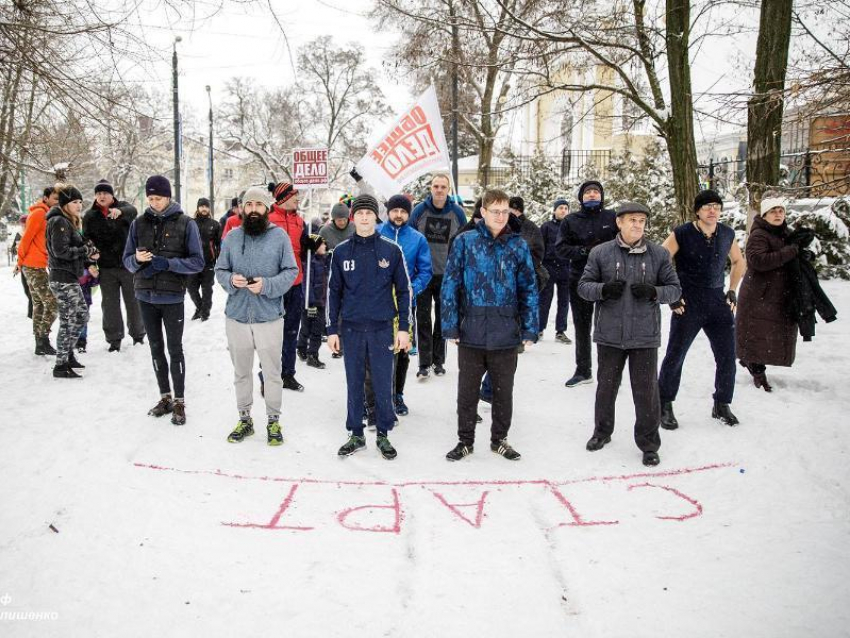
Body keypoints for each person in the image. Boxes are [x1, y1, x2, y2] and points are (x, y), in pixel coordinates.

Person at [577, 202, 681, 467]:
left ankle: (648, 444)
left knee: (646, 392)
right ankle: (602, 432)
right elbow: (583, 287)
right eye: (632, 219)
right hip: (609, 333)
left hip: (644, 335)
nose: (637, 225)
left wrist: (655, 293)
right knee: (606, 387)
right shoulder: (601, 253)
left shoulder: (658, 254)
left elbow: (675, 289)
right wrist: (603, 290)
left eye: (641, 220)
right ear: (619, 223)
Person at [441, 189, 539, 462]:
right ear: (482, 212)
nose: (499, 216)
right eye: (494, 210)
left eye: (504, 211)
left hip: (506, 330)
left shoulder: (517, 245)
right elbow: (450, 285)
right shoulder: (464, 242)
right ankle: (465, 440)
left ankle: (500, 439)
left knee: (502, 391)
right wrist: (450, 325)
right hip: (470, 329)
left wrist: (530, 328)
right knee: (467, 391)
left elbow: (529, 287)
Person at [327, 194, 412, 460]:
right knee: (354, 382)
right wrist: (332, 330)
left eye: (369, 213)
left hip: (381, 327)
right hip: (351, 328)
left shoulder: (390, 250)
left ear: (377, 217)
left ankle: (384, 433)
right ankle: (356, 434)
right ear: (353, 217)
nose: (364, 217)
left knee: (382, 381)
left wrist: (404, 328)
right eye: (360, 213)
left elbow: (404, 290)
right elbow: (333, 292)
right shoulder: (341, 252)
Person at [215, 186, 299, 446]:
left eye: (258, 205)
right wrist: (231, 279)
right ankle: (245, 419)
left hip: (269, 316)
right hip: (237, 316)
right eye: (248, 205)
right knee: (241, 372)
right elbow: (219, 269)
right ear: (242, 208)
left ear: (266, 208)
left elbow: (290, 271)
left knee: (272, 373)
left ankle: (273, 420)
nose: (253, 210)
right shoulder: (231, 237)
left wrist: (267, 286)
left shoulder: (280, 237)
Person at [657, 189, 746, 428]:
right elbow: (660, 260)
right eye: (707, 206)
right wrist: (673, 294)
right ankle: (664, 404)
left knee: (727, 356)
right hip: (688, 303)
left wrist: (732, 289)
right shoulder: (682, 233)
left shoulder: (727, 233)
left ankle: (722, 404)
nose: (713, 210)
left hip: (718, 301)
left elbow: (739, 261)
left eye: (717, 206)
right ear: (697, 211)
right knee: (676, 355)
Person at [122, 175, 204, 425]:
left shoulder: (186, 223)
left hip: (172, 296)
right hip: (145, 295)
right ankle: (164, 396)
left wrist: (167, 263)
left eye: (157, 198)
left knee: (174, 349)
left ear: (168, 197)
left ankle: (179, 400)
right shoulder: (138, 223)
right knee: (155, 348)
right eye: (150, 198)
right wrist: (138, 261)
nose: (153, 202)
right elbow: (126, 259)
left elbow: (197, 262)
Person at [736, 196, 828, 392]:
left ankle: (752, 362)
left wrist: (803, 255)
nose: (778, 214)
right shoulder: (759, 234)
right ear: (764, 214)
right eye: (773, 211)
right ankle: (756, 369)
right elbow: (758, 260)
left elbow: (792, 254)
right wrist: (791, 252)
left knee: (772, 335)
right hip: (759, 296)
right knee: (757, 335)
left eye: (781, 211)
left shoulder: (785, 233)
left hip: (777, 296)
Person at [375, 193, 433, 417]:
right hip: (377, 303)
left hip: (404, 304)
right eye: (395, 210)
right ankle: (377, 395)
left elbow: (425, 271)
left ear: (408, 213)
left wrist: (411, 290)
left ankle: (397, 394)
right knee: (378, 351)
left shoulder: (417, 239)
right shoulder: (377, 233)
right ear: (388, 212)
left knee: (401, 350)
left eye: (403, 211)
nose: (398, 215)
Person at [556, 180, 618, 387]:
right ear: (581, 197)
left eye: (596, 191)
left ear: (601, 196)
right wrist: (583, 251)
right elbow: (561, 248)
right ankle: (583, 370)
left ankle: (608, 373)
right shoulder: (571, 221)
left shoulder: (612, 217)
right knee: (582, 326)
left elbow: (624, 242)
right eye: (588, 192)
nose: (592, 195)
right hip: (580, 279)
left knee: (607, 327)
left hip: (609, 280)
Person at [409, 173, 467, 379]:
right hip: (423, 274)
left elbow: (464, 243)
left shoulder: (457, 213)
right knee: (423, 318)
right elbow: (410, 237)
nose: (439, 190)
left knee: (442, 320)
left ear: (448, 189)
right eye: (436, 186)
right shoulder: (419, 211)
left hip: (447, 275)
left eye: (443, 186)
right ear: (431, 188)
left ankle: (438, 361)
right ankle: (424, 363)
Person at [82, 179, 144, 352]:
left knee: (133, 301)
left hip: (127, 265)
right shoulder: (90, 216)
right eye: (99, 193)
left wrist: (120, 211)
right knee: (110, 305)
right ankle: (114, 339)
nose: (102, 196)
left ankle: (138, 335)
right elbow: (85, 240)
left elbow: (134, 210)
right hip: (106, 267)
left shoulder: (123, 208)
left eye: (105, 193)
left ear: (112, 195)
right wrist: (90, 262)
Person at [45, 185, 99, 378]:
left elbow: (73, 247)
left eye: (80, 202)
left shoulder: (68, 221)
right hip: (62, 278)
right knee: (69, 320)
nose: (79, 205)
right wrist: (85, 251)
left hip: (70, 276)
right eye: (74, 202)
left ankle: (68, 354)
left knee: (81, 316)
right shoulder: (58, 221)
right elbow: (61, 251)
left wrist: (88, 253)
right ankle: (60, 365)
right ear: (65, 204)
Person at [268, 181, 309, 391]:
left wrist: (312, 243)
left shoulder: (300, 222)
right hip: (273, 286)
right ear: (283, 198)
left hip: (296, 283)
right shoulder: (267, 220)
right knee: (271, 333)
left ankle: (288, 374)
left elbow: (302, 249)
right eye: (294, 196)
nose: (298, 199)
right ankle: (268, 375)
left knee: (292, 331)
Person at [17, 186, 59, 355]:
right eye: (55, 198)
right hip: (32, 265)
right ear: (46, 198)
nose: (57, 201)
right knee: (53, 303)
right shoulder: (39, 214)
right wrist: (20, 262)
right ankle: (42, 337)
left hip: (39, 264)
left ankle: (40, 344)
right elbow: (26, 239)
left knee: (40, 304)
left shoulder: (49, 214)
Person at [539, 198, 572, 343]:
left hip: (566, 268)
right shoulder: (546, 227)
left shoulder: (572, 228)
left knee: (564, 301)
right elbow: (539, 246)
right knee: (545, 299)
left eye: (565, 208)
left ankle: (560, 331)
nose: (563, 210)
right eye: (560, 208)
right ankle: (539, 329)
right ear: (554, 210)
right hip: (549, 267)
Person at [296, 234, 330, 370]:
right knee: (309, 328)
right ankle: (309, 353)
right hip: (311, 302)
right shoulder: (310, 263)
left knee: (315, 328)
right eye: (322, 244)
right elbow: (306, 284)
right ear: (315, 247)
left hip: (321, 301)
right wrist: (310, 303)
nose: (325, 246)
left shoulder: (323, 260)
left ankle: (306, 350)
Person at [187, 197, 221, 321]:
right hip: (192, 262)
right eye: (202, 206)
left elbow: (218, 244)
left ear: (209, 208)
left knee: (207, 289)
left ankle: (204, 313)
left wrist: (219, 259)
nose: (204, 208)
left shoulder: (215, 224)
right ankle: (200, 308)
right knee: (191, 288)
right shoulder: (190, 223)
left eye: (206, 206)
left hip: (208, 262)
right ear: (198, 208)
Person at [12, 215, 33, 319]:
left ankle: (32, 313)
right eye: (22, 222)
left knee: (31, 290)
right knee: (26, 289)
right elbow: (13, 249)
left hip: (32, 264)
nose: (23, 224)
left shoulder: (31, 232)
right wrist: (16, 248)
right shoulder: (19, 234)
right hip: (22, 264)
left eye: (25, 222)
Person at [76, 263, 100, 353]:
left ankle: (81, 342)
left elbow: (94, 282)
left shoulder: (87, 262)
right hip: (69, 295)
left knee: (83, 320)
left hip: (84, 297)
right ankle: (69, 342)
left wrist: (95, 275)